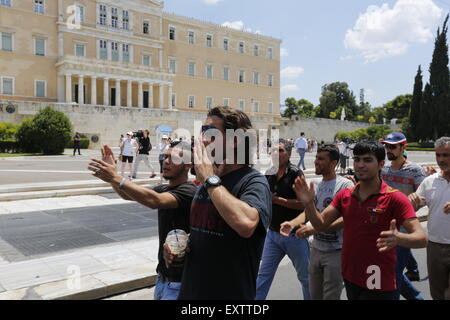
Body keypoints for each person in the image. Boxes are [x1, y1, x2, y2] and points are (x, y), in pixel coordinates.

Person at [293, 140, 427, 300]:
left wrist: (398, 238)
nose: (360, 165)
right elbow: (320, 224)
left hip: (378, 280)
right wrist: (308, 203)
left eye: (367, 160)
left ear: (381, 164)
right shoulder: (345, 195)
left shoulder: (395, 198)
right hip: (351, 276)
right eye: (357, 159)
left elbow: (421, 238)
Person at [165, 106, 272, 300]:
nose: (203, 139)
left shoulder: (253, 182)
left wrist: (209, 179)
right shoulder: (207, 185)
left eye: (211, 133)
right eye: (203, 131)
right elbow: (211, 231)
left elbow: (246, 224)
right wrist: (181, 244)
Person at [87, 141, 197, 300]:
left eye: (172, 158)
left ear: (188, 164)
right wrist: (113, 176)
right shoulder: (164, 188)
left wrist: (116, 178)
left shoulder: (189, 191)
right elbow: (128, 194)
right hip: (162, 280)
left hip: (178, 285)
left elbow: (155, 201)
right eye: (164, 157)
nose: (166, 162)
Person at [283, 144, 354, 300]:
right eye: (316, 157)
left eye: (321, 159)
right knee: (314, 295)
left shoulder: (345, 185)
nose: (316, 161)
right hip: (316, 250)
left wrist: (315, 230)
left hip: (336, 251)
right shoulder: (314, 183)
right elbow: (309, 213)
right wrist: (293, 223)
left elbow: (346, 218)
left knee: (330, 296)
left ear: (333, 163)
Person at [255, 139, 310, 300]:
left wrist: (277, 200)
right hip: (272, 235)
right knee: (262, 277)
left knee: (306, 278)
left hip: (295, 235)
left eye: (279, 150)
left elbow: (303, 205)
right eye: (272, 150)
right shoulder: (269, 173)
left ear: (289, 153)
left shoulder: (296, 174)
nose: (275, 154)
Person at [380, 132, 426, 300]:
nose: (388, 149)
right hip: (383, 230)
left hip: (403, 232)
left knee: (392, 277)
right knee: (393, 273)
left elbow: (424, 197)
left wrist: (416, 200)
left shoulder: (415, 170)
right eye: (386, 146)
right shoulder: (383, 168)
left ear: (402, 147)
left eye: (392, 147)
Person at [409, 137, 450, 300]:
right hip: (434, 247)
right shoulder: (429, 181)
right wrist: (413, 200)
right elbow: (414, 206)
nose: (441, 160)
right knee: (437, 294)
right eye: (438, 155)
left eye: (446, 155)